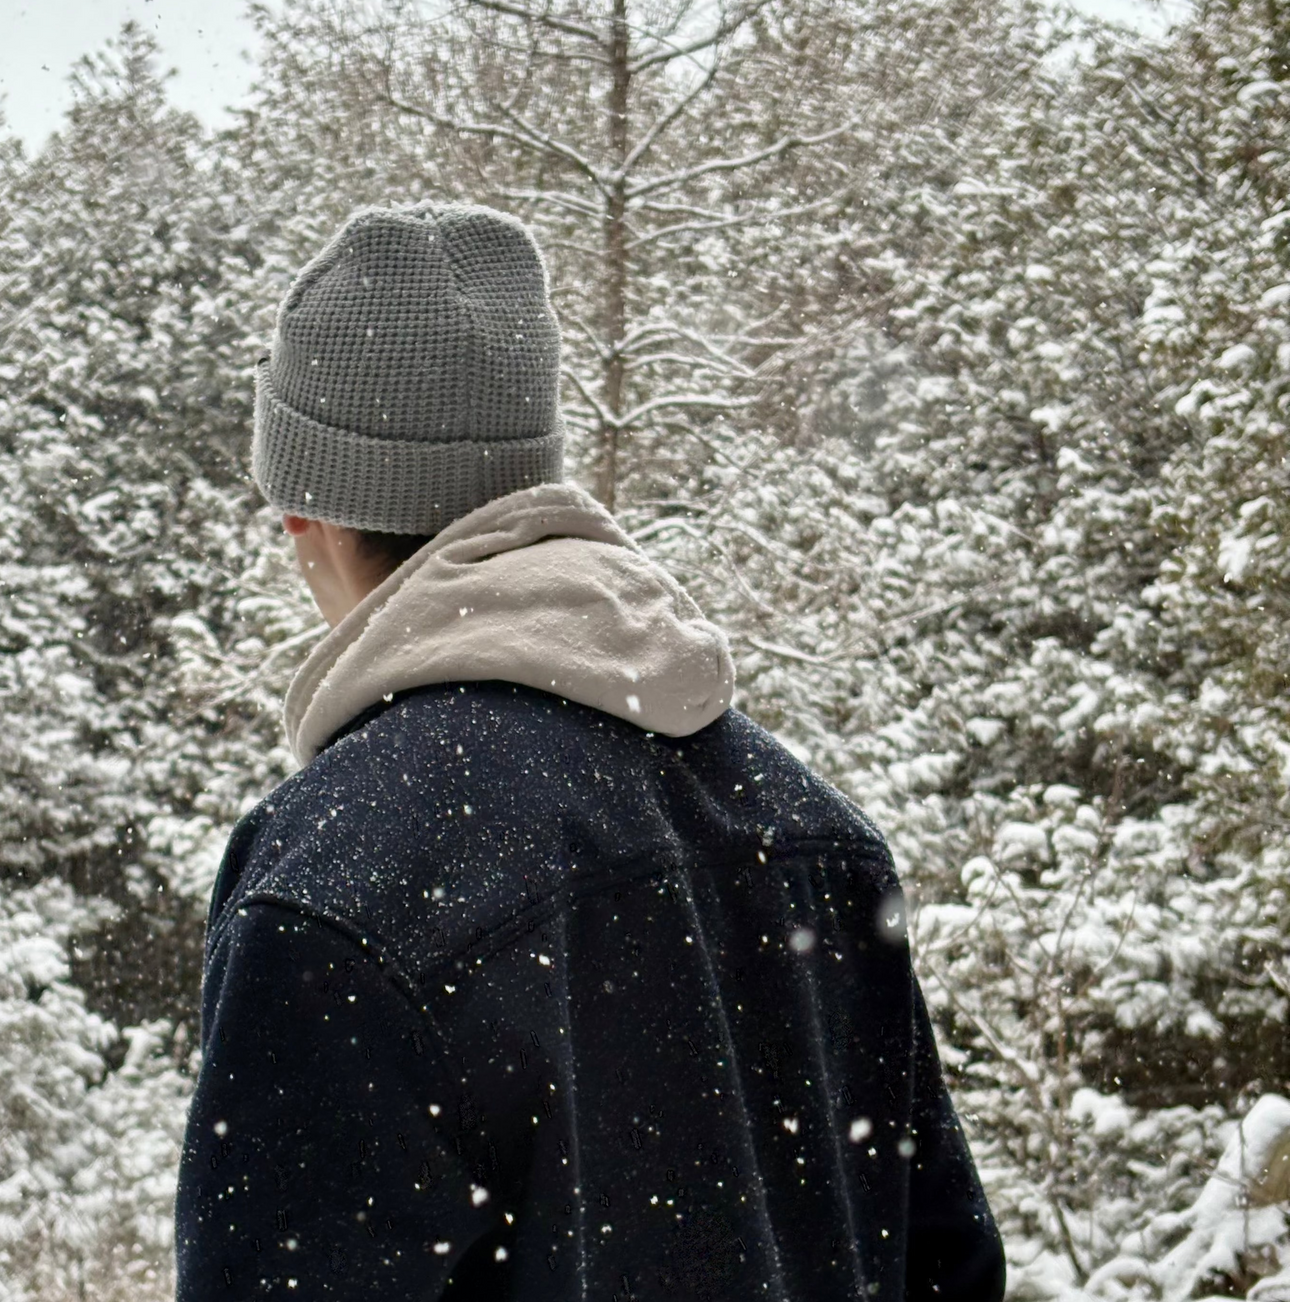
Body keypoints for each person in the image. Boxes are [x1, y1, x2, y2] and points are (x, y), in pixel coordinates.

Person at [174, 202, 1005, 1301]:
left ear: (304, 513)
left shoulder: (338, 878)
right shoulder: (811, 828)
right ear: (531, 488)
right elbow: (943, 1264)